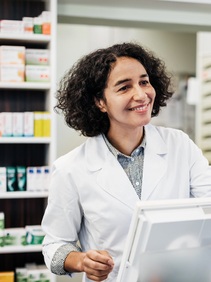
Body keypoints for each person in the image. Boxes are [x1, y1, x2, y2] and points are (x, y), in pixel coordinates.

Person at [41, 42, 211, 282]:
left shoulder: (180, 145)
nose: (141, 95)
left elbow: (209, 207)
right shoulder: (71, 168)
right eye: (124, 87)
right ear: (100, 101)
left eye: (144, 82)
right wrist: (82, 261)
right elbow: (54, 245)